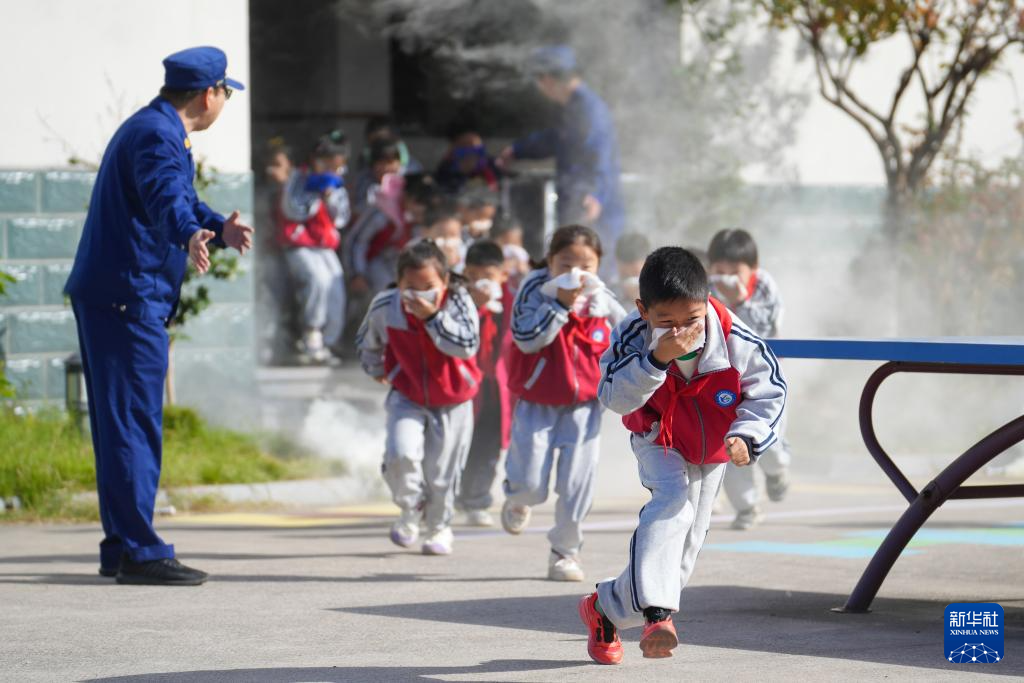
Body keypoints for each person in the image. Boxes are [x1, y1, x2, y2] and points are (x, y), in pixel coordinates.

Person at [64, 46, 253, 585]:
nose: (223, 102)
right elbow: (165, 197)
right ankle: (142, 552)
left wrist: (214, 225)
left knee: (119, 422)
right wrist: (187, 232)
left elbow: (181, 198)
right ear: (207, 94)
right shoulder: (155, 135)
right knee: (133, 425)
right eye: (224, 93)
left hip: (120, 293)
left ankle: (121, 545)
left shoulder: (157, 128)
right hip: (130, 296)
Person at [579, 247, 787, 663]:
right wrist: (657, 359)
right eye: (665, 322)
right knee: (672, 502)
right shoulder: (631, 335)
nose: (681, 331)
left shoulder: (735, 338)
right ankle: (658, 615)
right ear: (643, 310)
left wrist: (746, 436)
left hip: (711, 446)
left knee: (685, 549)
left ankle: (604, 608)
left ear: (707, 302)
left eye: (691, 320)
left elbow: (770, 392)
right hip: (658, 437)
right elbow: (613, 397)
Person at [501, 224, 626, 582]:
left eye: (586, 265)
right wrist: (558, 305)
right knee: (530, 484)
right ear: (550, 261)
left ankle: (565, 553)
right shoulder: (535, 289)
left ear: (599, 264)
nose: (576, 273)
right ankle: (517, 497)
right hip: (537, 400)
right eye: (566, 263)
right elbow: (525, 338)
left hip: (585, 405)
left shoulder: (603, 298)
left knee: (576, 483)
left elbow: (631, 333)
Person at [356, 240, 481, 556]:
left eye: (428, 286)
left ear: (445, 282)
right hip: (407, 394)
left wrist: (432, 318)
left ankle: (439, 527)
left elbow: (467, 344)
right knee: (400, 454)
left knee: (442, 473)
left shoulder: (458, 301)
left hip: (454, 399)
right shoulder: (387, 306)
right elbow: (366, 339)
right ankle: (410, 508)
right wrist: (375, 367)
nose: (418, 294)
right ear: (398, 284)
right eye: (410, 287)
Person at [499, 46, 625, 276]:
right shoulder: (571, 107)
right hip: (576, 197)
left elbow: (601, 157)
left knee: (595, 267)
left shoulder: (589, 110)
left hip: (592, 205)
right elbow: (556, 139)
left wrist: (596, 195)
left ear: (547, 79)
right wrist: (518, 150)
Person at [707, 228, 791, 529]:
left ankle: (777, 470)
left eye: (735, 271)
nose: (726, 277)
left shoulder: (765, 286)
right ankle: (747, 507)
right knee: (731, 444)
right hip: (724, 380)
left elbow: (765, 328)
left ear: (752, 269)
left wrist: (739, 302)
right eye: (719, 270)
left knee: (768, 442)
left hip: (765, 379)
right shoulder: (706, 289)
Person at [277, 130, 350, 363]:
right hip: (299, 243)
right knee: (317, 280)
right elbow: (291, 210)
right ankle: (311, 335)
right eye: (327, 163)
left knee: (336, 284)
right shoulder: (299, 177)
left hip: (324, 245)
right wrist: (314, 194)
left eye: (336, 166)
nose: (331, 169)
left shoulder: (336, 182)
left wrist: (330, 195)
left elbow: (342, 218)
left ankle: (329, 341)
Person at [456, 240, 516, 526]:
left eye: (489, 276)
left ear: (503, 275)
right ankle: (447, 496)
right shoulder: (456, 300)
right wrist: (475, 307)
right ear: (465, 273)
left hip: (497, 387)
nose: (482, 282)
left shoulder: (514, 302)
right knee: (457, 442)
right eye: (475, 275)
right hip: (462, 383)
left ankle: (476, 499)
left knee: (489, 444)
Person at [345, 172, 436, 295]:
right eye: (418, 203)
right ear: (408, 197)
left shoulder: (412, 218)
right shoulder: (381, 213)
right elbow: (356, 241)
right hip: (368, 269)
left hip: (392, 268)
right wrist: (357, 273)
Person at [435, 123, 500, 195]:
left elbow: (494, 188)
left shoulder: (487, 167)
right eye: (464, 149)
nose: (469, 156)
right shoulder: (446, 170)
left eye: (474, 150)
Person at [350, 137, 403, 216]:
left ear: (399, 163)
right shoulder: (363, 183)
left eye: (390, 162)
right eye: (380, 163)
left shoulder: (406, 185)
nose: (385, 168)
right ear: (372, 165)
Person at [418, 202, 466, 273]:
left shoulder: (463, 251)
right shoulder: (415, 252)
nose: (448, 241)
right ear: (425, 232)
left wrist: (454, 264)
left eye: (453, 235)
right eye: (441, 235)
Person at [490, 213, 530, 292]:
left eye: (516, 243)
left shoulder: (525, 262)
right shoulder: (488, 261)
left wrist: (525, 272)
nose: (513, 249)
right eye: (507, 244)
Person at [613, 232, 650, 305]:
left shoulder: (660, 292)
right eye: (624, 274)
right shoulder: (609, 291)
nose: (630, 278)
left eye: (634, 273)